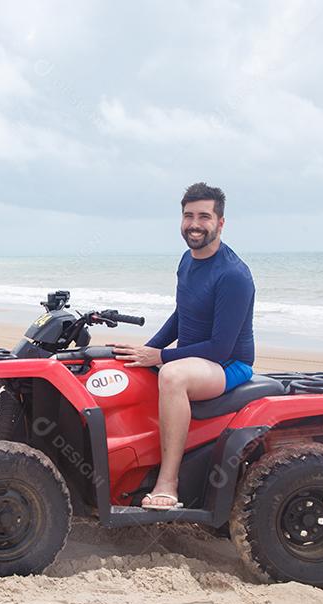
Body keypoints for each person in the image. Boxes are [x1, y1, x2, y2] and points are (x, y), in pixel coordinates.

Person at [112, 182, 256, 510]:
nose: (194, 224)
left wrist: (162, 356)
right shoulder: (187, 261)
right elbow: (182, 315)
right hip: (194, 357)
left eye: (204, 216)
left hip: (228, 365)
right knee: (118, 363)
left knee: (172, 376)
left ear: (220, 223)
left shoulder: (234, 275)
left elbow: (220, 348)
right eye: (188, 215)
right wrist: (145, 351)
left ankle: (168, 482)